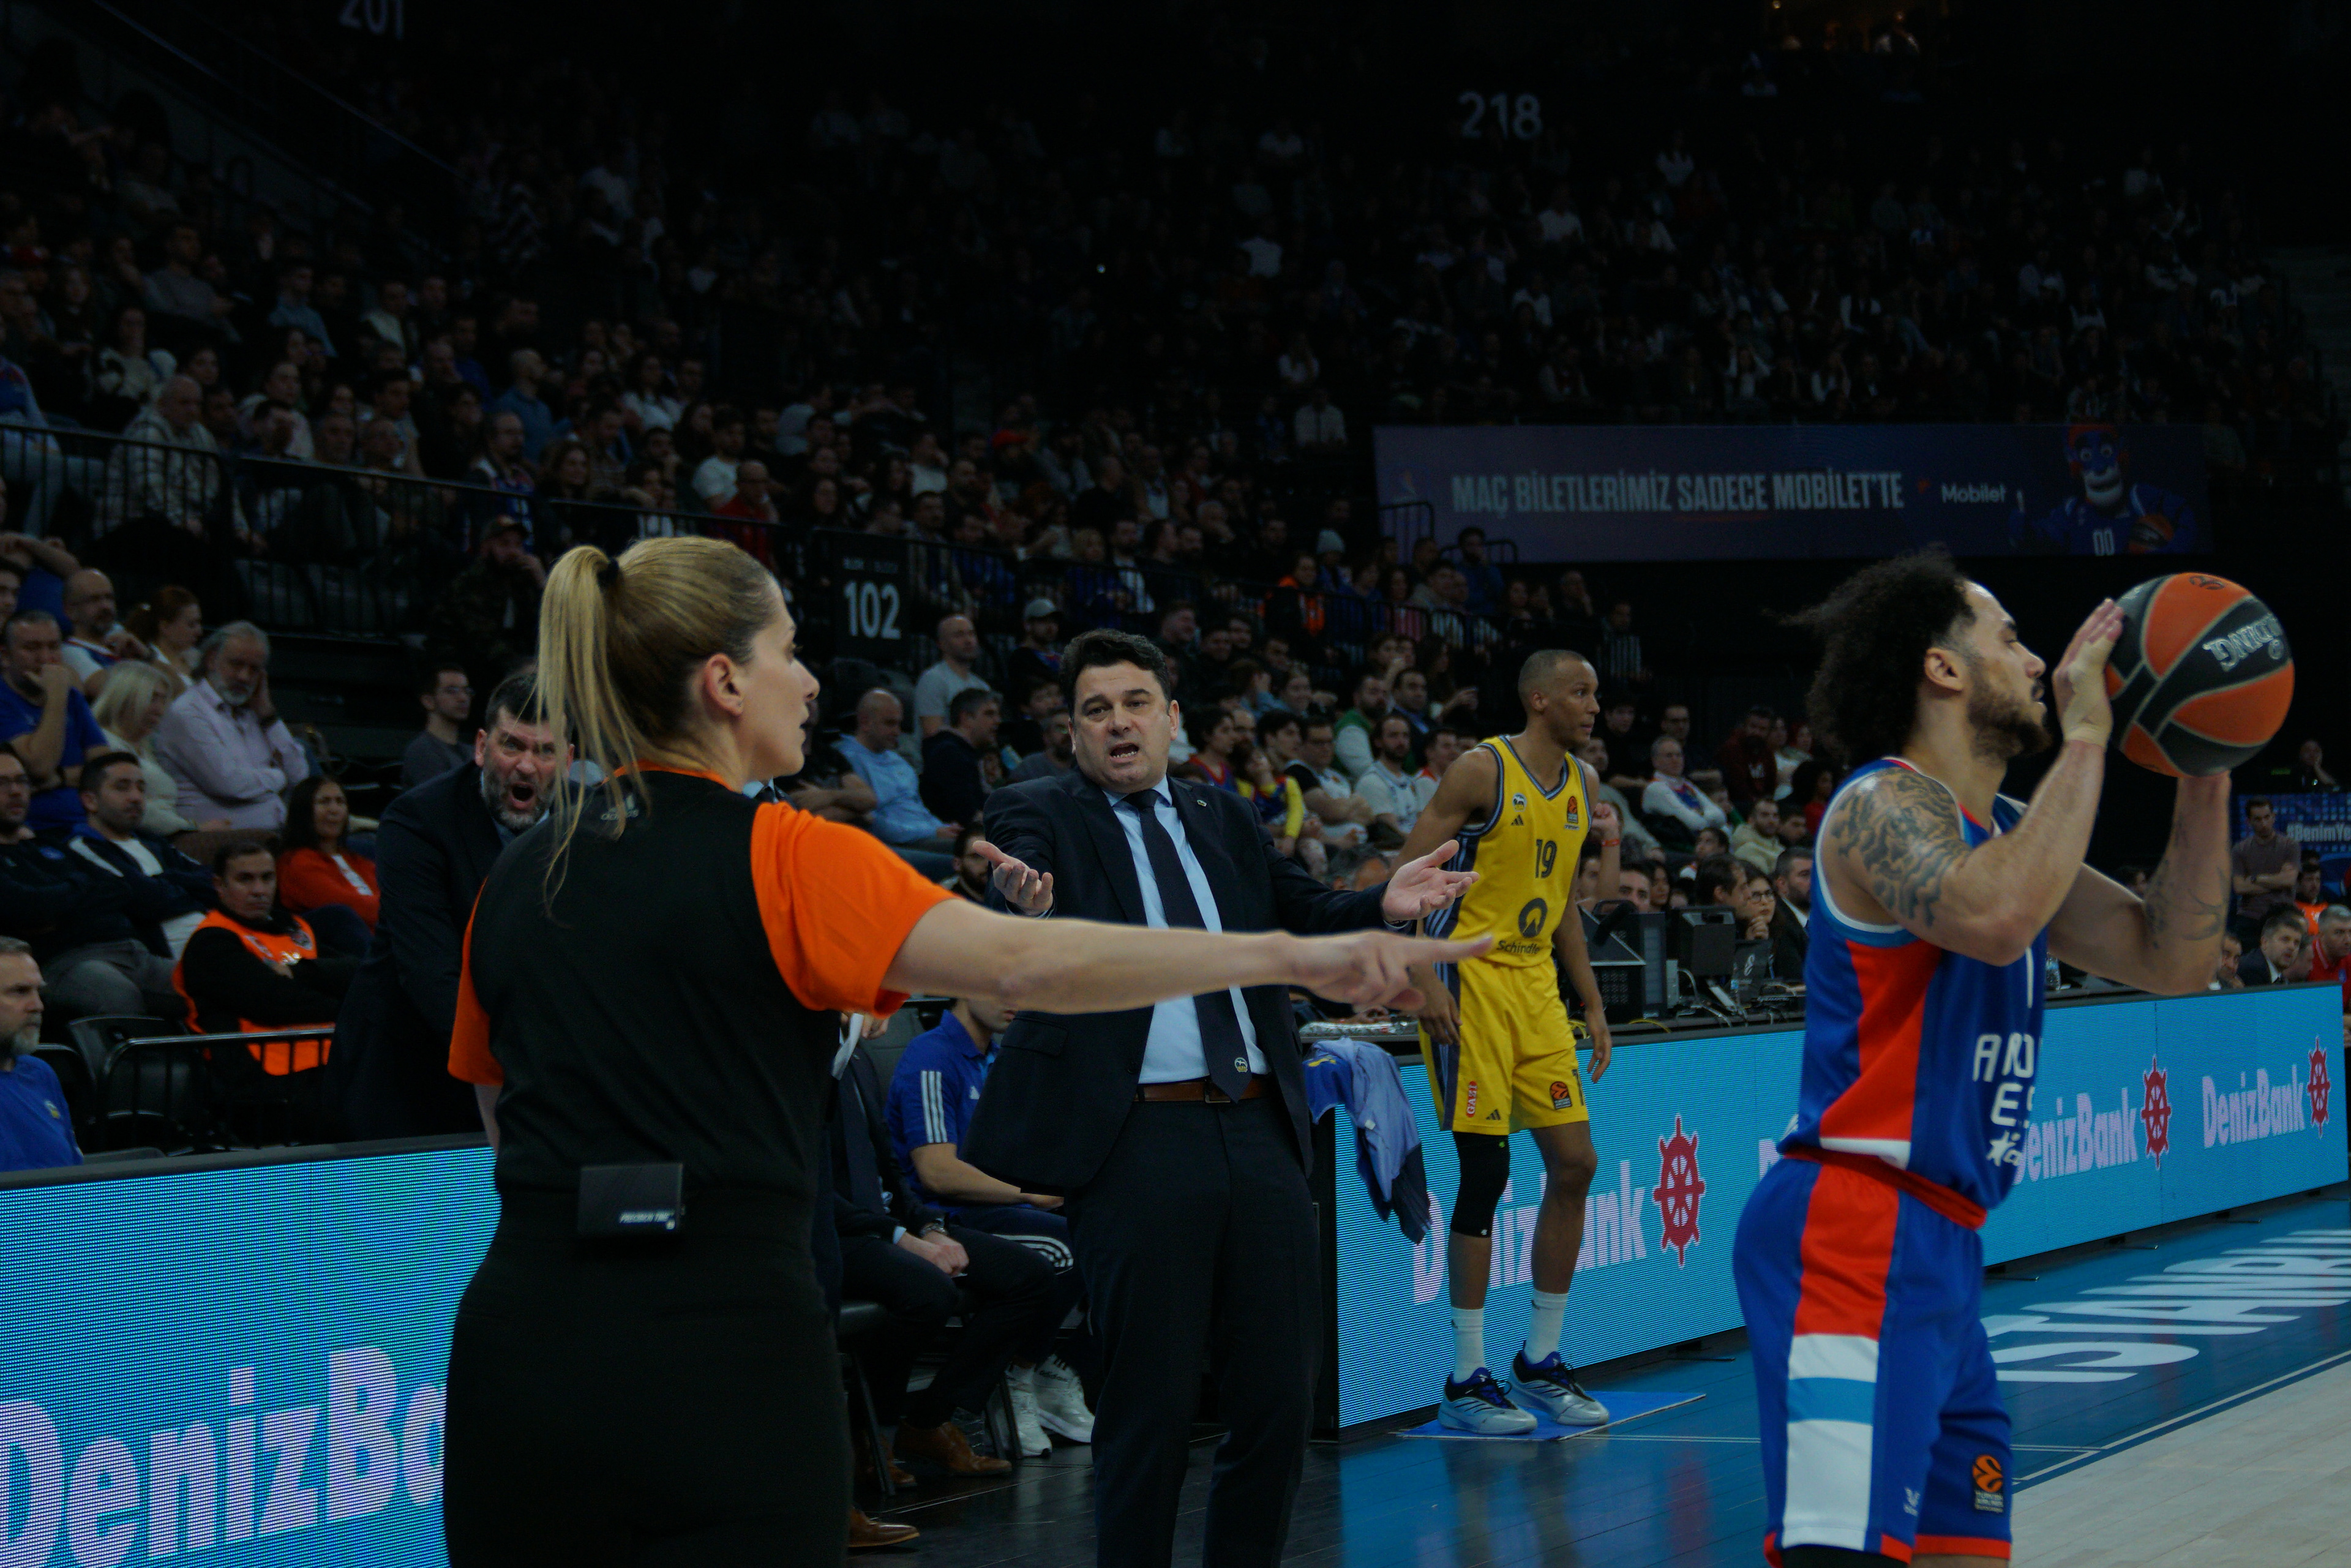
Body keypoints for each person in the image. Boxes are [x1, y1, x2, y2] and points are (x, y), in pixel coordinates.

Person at [437, 536, 1473, 1566]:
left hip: (524, 1348)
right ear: (722, 682)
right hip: (723, 1343)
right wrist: (1302, 954)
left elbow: (500, 1119)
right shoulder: (792, 853)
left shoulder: (519, 876)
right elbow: (1024, 964)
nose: (807, 682)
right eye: (790, 653)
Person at [1733, 552, 2229, 1568]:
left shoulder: (2004, 829)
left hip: (1944, 1245)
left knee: (1968, 1552)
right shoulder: (1879, 807)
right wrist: (2090, 735)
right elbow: (1998, 916)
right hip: (1854, 1226)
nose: (2043, 661)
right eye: (2010, 636)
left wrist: (2206, 759)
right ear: (1943, 671)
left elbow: (2172, 958)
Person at [966, 626, 1480, 1568]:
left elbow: (1305, 909)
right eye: (1094, 711)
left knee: (1281, 1406)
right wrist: (1024, 900)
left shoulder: (1222, 814)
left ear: (1171, 720)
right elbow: (1016, 882)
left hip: (1258, 1130)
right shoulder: (1037, 809)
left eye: (1133, 705)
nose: (1116, 725)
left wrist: (1382, 901)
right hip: (1136, 1141)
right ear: (1071, 737)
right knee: (1150, 1413)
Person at [1395, 649, 1619, 1433]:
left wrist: (1589, 999)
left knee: (1576, 1161)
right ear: (1539, 698)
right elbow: (1409, 877)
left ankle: (1540, 1359)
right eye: (1581, 691)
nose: (1594, 704)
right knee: (1486, 1169)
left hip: (1535, 989)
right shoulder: (1480, 771)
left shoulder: (1585, 787)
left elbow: (1559, 903)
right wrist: (1423, 982)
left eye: (1595, 692)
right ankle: (1464, 1376)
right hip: (1469, 981)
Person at [328, 672, 567, 1141]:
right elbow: (431, 972)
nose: (526, 766)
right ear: (481, 747)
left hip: (519, 1073)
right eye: (511, 745)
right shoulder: (417, 821)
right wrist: (530, 1062)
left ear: (569, 760)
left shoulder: (584, 823)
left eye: (545, 751)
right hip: (406, 1077)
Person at [831, 1032, 1065, 1469]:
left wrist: (926, 1225)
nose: (883, 1017)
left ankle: (929, 1421)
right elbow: (816, 1190)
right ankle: (869, 1430)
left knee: (1030, 1276)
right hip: (840, 1229)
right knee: (928, 1289)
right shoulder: (807, 1062)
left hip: (888, 1220)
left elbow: (889, 1164)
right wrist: (902, 1235)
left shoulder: (857, 1059)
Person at [886, 991, 1095, 1449]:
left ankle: (1053, 1368)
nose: (1015, 1001)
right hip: (949, 1216)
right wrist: (1030, 1194)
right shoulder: (931, 1056)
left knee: (1124, 1233)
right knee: (1074, 1246)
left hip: (1001, 1208)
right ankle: (1019, 1375)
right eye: (999, 987)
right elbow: (937, 1172)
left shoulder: (1001, 1056)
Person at [173, 842, 353, 1129]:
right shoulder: (212, 942)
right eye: (245, 879)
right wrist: (353, 1009)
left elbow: (358, 971)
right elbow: (277, 1003)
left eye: (267, 878)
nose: (259, 890)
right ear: (220, 886)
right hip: (262, 1084)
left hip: (328, 1064)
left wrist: (300, 973)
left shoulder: (293, 929)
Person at [0, 746, 186, 1022]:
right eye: (3, 783)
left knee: (214, 981)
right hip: (66, 964)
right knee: (115, 994)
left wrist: (62, 902)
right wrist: (80, 889)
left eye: (21, 781)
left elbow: (120, 888)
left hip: (132, 951)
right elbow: (31, 909)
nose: (16, 791)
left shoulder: (50, 845)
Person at [153, 621, 309, 832]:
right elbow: (231, 785)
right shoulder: (188, 712)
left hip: (277, 833)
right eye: (236, 664)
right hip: (223, 842)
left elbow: (300, 777)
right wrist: (280, 777)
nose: (244, 677)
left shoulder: (255, 713)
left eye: (254, 669)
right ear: (211, 660)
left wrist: (268, 715)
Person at [67, 750, 210, 957]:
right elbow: (148, 899)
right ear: (91, 801)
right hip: (167, 957)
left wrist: (166, 879)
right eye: (122, 787)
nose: (136, 797)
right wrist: (188, 890)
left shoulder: (153, 842)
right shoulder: (83, 848)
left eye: (141, 788)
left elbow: (212, 881)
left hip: (213, 935)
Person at [1, 610, 107, 832]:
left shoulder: (73, 698)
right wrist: (57, 694)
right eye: (32, 648)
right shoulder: (4, 700)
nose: (45, 658)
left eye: (53, 647)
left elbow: (104, 771)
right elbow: (40, 766)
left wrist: (58, 778)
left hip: (93, 824)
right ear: (5, 656)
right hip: (38, 830)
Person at [843, 687, 958, 874]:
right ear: (865, 722)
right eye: (889, 724)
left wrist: (943, 828)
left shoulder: (900, 762)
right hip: (896, 844)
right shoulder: (848, 761)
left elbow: (918, 808)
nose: (897, 731)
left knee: (985, 843)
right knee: (973, 859)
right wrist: (933, 832)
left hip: (928, 834)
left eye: (899, 724)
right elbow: (875, 823)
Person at [0, 937, 80, 1173]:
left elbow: (73, 1177)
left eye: (38, 991)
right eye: (20, 991)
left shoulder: (40, 1073)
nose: (38, 1005)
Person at [276, 775, 378, 952]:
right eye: (324, 802)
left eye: (340, 802)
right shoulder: (298, 863)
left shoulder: (357, 859)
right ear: (304, 811)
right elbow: (357, 909)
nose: (334, 810)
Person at [919, 686, 999, 829]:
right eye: (989, 714)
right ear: (967, 718)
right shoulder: (949, 753)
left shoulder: (969, 754)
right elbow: (968, 815)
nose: (998, 721)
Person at [2229, 798, 2300, 945]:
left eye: (2267, 817)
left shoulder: (2289, 846)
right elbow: (2240, 887)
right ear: (2249, 821)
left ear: (2274, 817)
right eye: (2258, 819)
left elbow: (2288, 881)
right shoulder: (2240, 850)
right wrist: (2277, 880)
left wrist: (2256, 878)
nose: (2264, 824)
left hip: (2282, 915)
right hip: (2250, 917)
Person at [1641, 735, 1728, 846]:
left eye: (1679, 755)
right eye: (1669, 756)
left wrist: (1700, 814)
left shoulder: (1686, 784)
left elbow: (1720, 816)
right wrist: (1705, 816)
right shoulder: (1656, 789)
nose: (1675, 760)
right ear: (1655, 761)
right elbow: (1694, 824)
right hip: (1680, 846)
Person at [913, 613, 989, 740]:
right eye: (959, 635)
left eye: (971, 634)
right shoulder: (933, 680)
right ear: (941, 644)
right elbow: (933, 735)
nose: (968, 641)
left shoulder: (982, 686)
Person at [404, 663, 474, 787]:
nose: (463, 698)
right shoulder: (423, 750)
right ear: (429, 701)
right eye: (452, 691)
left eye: (467, 691)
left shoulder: (470, 752)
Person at [1770, 846, 1813, 981]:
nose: (1814, 882)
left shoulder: (1824, 919)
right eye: (1805, 875)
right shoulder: (1779, 924)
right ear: (1782, 884)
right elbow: (1795, 981)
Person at [2237, 907, 2311, 985]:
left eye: (2296, 943)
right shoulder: (2252, 971)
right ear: (2265, 942)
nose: (2292, 947)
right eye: (2285, 940)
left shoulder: (2279, 976)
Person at [1008, 707, 1074, 782]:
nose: (1068, 734)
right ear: (1047, 736)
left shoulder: (1084, 766)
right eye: (1060, 729)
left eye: (1072, 728)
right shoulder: (1029, 768)